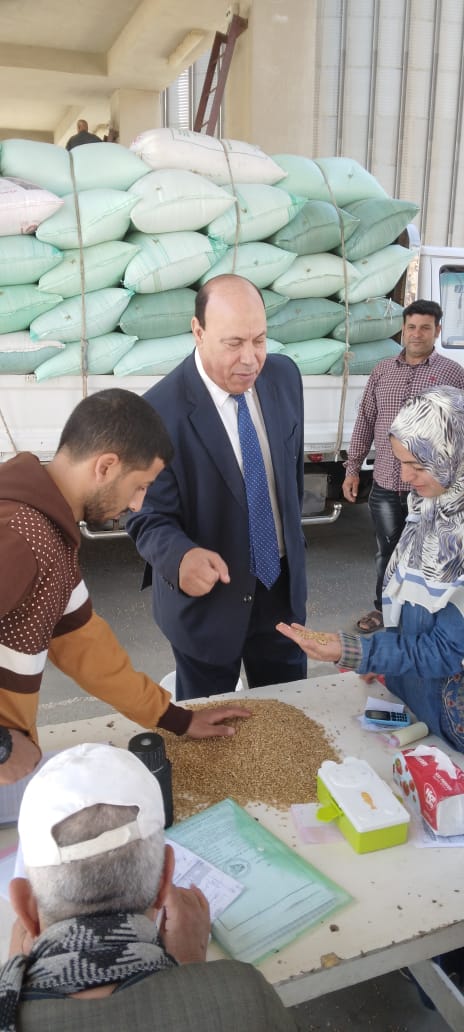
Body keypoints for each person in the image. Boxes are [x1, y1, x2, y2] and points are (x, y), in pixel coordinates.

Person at [0, 389, 250, 786]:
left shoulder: (50, 534)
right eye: (139, 485)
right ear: (106, 466)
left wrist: (178, 719)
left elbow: (88, 650)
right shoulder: (20, 535)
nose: (137, 505)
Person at [0, 742, 296, 1031]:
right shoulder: (243, 999)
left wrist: (15, 969)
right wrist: (189, 969)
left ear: (24, 907)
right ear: (166, 879)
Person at [127, 274, 307, 701]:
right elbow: (146, 517)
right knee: (210, 728)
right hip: (207, 605)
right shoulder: (157, 413)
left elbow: (292, 477)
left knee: (288, 716)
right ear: (198, 331)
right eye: (233, 343)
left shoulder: (284, 377)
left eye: (259, 340)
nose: (250, 359)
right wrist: (180, 557)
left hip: (281, 594)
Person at [278, 386, 464, 754]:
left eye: (418, 465)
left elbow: (446, 651)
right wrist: (385, 663)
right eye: (401, 462)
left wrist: (354, 650)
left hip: (447, 720)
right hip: (410, 696)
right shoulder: (431, 509)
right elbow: (409, 607)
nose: (405, 476)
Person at [342, 299, 464, 634]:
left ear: (438, 331)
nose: (417, 334)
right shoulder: (383, 370)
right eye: (411, 327)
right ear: (403, 330)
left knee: (426, 555)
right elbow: (366, 420)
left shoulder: (453, 373)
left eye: (425, 327)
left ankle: (424, 618)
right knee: (387, 552)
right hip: (384, 483)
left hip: (428, 491)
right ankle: (383, 610)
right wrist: (352, 468)